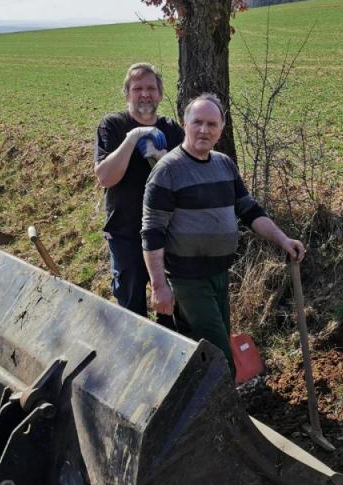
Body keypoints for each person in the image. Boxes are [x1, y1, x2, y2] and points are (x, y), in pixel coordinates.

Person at [141, 93, 305, 374]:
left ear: (221, 129)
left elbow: (249, 210)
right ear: (184, 124)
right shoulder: (167, 171)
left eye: (212, 124)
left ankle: (194, 397)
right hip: (188, 279)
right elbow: (152, 231)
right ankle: (226, 399)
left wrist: (283, 240)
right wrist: (158, 286)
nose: (204, 130)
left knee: (203, 350)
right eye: (198, 122)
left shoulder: (224, 164)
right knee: (220, 356)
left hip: (219, 274)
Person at [94, 63, 184, 318]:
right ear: (127, 94)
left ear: (160, 93)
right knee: (131, 311)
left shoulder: (172, 130)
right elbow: (105, 178)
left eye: (151, 88)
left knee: (172, 311)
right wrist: (133, 137)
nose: (145, 94)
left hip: (167, 235)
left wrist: (163, 160)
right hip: (125, 235)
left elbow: (184, 180)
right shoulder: (112, 125)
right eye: (137, 89)